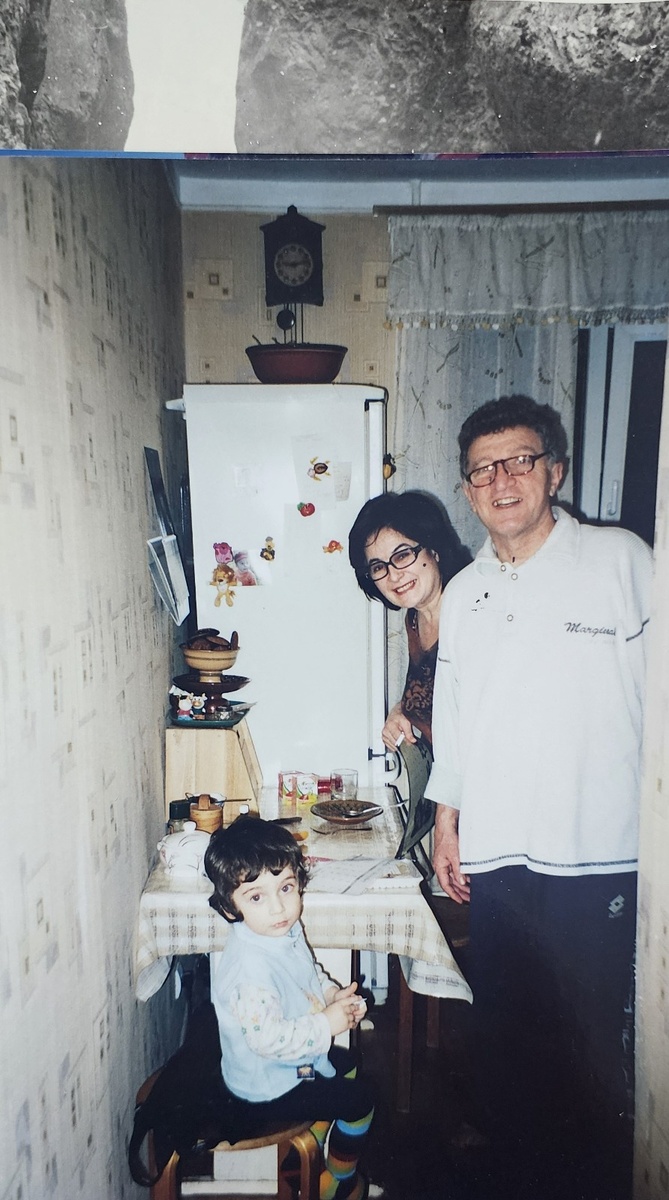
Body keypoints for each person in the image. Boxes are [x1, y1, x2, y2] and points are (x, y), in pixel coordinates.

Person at [426, 394, 653, 1198]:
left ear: (553, 471)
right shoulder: (463, 592)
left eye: (519, 460)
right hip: (499, 854)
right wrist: (446, 822)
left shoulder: (621, 561)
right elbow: (454, 719)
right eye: (483, 469)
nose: (502, 480)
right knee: (505, 1038)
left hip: (599, 851)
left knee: (588, 1046)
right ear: (466, 490)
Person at [204, 816, 374, 1200]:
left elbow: (306, 974)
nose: (279, 907)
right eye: (257, 897)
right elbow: (268, 1040)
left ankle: (307, 1154)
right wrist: (327, 1024)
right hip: (266, 1083)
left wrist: (331, 995)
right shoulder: (250, 971)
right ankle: (336, 1183)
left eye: (286, 888)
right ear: (230, 907)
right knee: (361, 1103)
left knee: (346, 1066)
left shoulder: (279, 931)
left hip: (288, 1066)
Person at [348, 491, 469, 751]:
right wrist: (402, 710)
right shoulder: (414, 619)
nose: (393, 576)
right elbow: (429, 690)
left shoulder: (471, 611)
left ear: (434, 549)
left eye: (402, 555)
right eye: (378, 567)